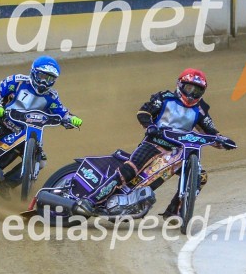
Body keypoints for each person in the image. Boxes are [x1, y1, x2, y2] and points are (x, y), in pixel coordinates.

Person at [75, 69, 235, 217]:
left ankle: (175, 213)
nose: (192, 94)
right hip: (153, 143)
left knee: (200, 177)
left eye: (197, 91)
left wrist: (223, 141)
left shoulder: (200, 110)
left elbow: (211, 131)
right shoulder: (164, 98)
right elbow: (143, 112)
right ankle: (91, 200)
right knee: (130, 170)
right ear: (180, 85)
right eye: (189, 88)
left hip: (178, 151)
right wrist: (150, 126)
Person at [0, 56, 82, 179]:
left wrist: (71, 119)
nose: (45, 82)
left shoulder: (52, 97)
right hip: (3, 123)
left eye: (50, 79)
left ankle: (7, 185)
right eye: (42, 77)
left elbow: (62, 113)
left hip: (25, 134)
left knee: (39, 162)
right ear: (34, 73)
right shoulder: (17, 81)